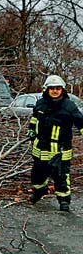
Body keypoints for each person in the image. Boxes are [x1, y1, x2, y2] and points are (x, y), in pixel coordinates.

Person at [27, 74, 83, 212]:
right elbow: (34, 119)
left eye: (58, 88)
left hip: (60, 149)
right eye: (52, 88)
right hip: (40, 148)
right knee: (37, 174)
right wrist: (31, 130)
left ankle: (64, 201)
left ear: (62, 90)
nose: (55, 91)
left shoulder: (69, 106)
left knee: (61, 176)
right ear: (47, 89)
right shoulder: (40, 104)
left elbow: (81, 123)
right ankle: (40, 191)